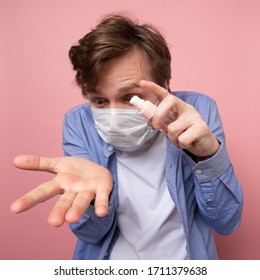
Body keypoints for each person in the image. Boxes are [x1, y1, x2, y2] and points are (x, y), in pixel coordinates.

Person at [10, 13, 243, 260]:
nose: (113, 115)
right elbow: (92, 235)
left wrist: (207, 154)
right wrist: (93, 199)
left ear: (164, 85)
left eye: (130, 98)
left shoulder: (198, 109)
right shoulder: (78, 122)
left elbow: (226, 222)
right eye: (99, 100)